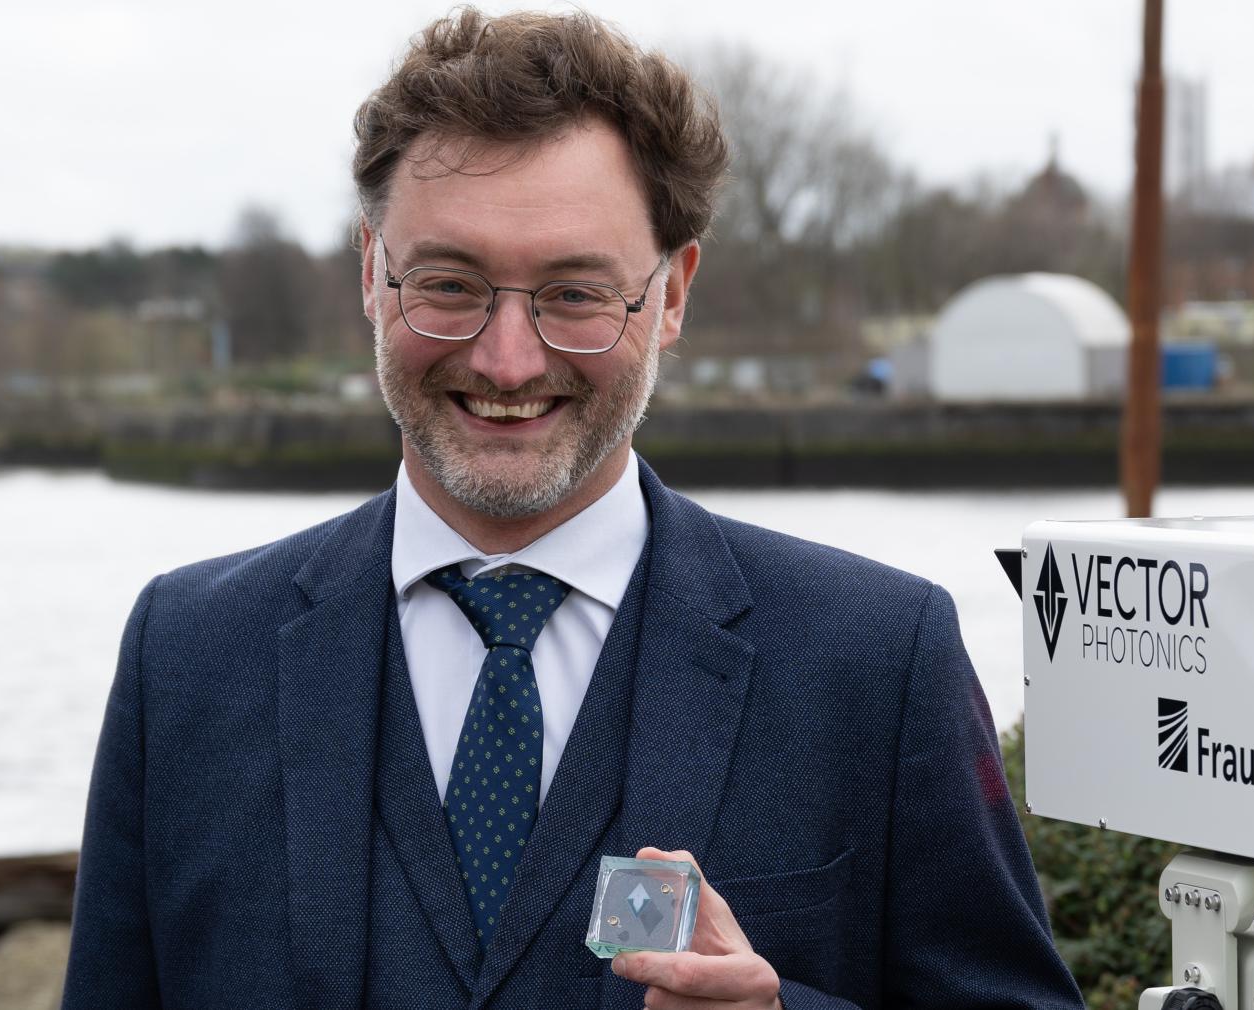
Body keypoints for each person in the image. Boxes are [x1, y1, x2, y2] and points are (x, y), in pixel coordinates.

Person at [62, 9, 1083, 1008]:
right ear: (372, 273)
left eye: (576, 294)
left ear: (672, 293)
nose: (507, 360)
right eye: (448, 284)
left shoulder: (875, 658)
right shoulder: (185, 655)